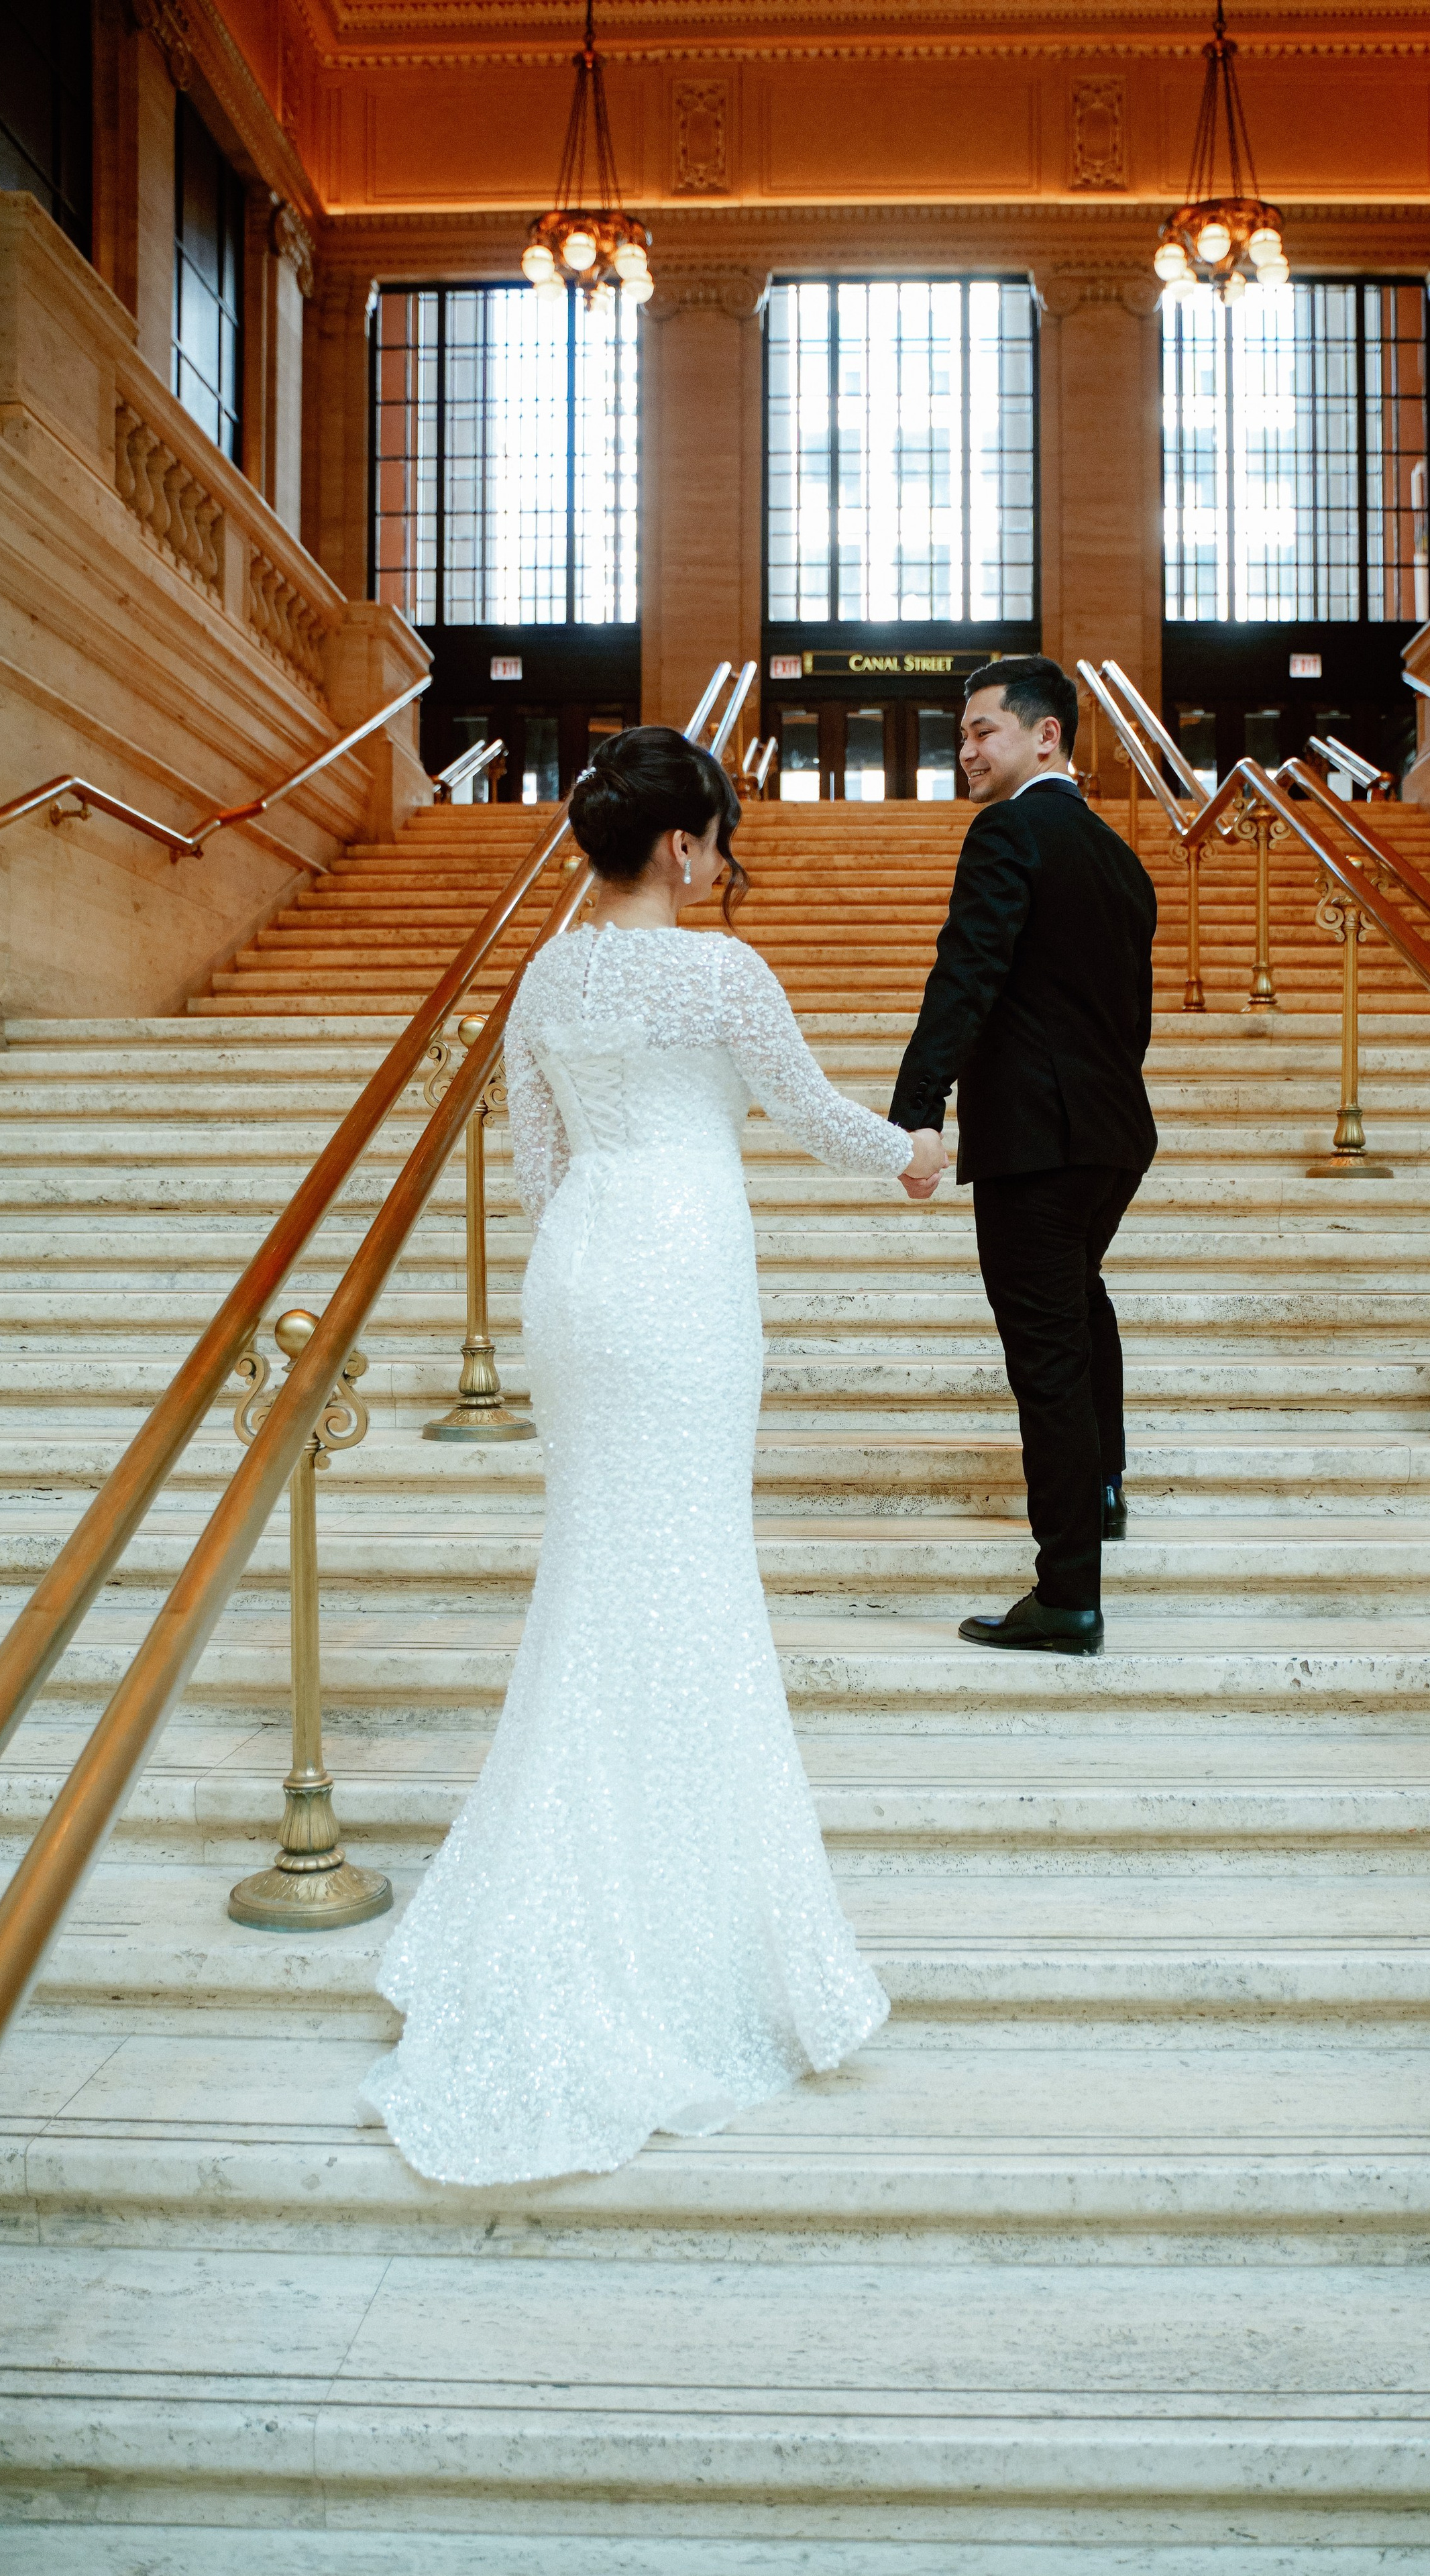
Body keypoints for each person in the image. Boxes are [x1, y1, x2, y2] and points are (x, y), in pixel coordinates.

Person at [364, 727, 947, 2185]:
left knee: (595, 1567)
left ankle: (578, 1884)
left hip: (581, 1270)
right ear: (683, 844)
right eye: (717, 838)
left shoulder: (545, 977)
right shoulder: (721, 972)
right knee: (689, 1566)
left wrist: (572, 1264)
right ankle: (696, 1930)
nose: (719, 860)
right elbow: (807, 1115)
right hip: (685, 1270)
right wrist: (915, 1154)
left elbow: (537, 1162)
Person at [889, 655, 1157, 1657]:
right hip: (1110, 1136)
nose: (965, 750)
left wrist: (919, 1110)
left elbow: (967, 973)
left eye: (982, 731)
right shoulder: (1120, 859)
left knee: (1046, 1356)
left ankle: (1068, 1594)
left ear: (1047, 737)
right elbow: (1125, 1019)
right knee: (1080, 1302)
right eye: (961, 734)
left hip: (1038, 1144)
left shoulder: (1007, 832)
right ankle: (1103, 1486)